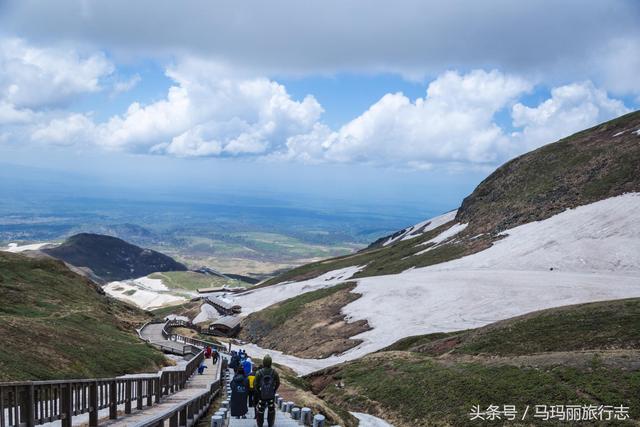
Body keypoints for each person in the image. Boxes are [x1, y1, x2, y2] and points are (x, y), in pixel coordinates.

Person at [254, 355, 280, 427]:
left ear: (264, 362)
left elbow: (255, 384)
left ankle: (260, 424)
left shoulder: (259, 372)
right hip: (271, 395)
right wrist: (274, 390)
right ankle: (270, 424)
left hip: (262, 395)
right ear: (270, 362)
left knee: (260, 410)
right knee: (271, 409)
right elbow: (278, 383)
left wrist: (259, 392)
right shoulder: (274, 372)